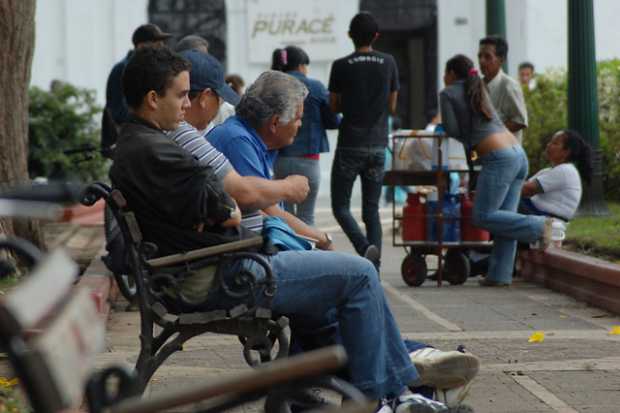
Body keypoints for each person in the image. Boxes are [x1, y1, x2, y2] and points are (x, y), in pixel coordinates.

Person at [111, 45, 455, 412]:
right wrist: (230, 208)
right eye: (181, 95)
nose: (186, 105)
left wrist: (223, 209)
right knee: (360, 274)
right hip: (224, 275)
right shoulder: (160, 150)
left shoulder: (140, 143)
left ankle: (387, 388)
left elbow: (223, 205)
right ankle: (377, 398)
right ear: (153, 99)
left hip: (204, 269)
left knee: (329, 295)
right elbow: (231, 209)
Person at [440, 54, 566, 287]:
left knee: (483, 215)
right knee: (505, 220)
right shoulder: (478, 88)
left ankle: (541, 226)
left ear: (451, 74)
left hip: (499, 159)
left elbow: (452, 129)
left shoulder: (447, 93)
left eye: (444, 73)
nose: (443, 77)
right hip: (518, 155)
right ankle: (499, 275)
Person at [169, 49, 311, 216]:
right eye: (220, 98)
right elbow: (246, 195)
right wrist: (289, 187)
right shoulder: (231, 138)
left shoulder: (182, 132)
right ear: (205, 97)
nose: (185, 104)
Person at [328, 12, 399, 267]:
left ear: (350, 35)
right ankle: (374, 271)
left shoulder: (340, 65)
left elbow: (334, 106)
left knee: (340, 207)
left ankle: (364, 246)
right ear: (376, 36)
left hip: (349, 143)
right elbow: (392, 106)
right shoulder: (389, 62)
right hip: (378, 144)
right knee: (372, 210)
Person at [271, 45, 340, 226]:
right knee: (306, 217)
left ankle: (285, 244)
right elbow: (333, 122)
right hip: (308, 161)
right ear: (301, 66)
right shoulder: (315, 87)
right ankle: (307, 245)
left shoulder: (273, 86)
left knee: (284, 216)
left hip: (279, 159)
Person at [520, 129, 592, 222]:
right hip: (537, 213)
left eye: (554, 143)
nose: (548, 145)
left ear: (566, 152)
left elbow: (526, 190)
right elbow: (524, 188)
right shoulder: (550, 171)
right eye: (550, 141)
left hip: (547, 218)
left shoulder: (565, 170)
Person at [478, 35, 528, 143]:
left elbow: (520, 121)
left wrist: (490, 133)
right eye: (480, 56)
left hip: (506, 150)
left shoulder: (509, 86)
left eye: (487, 57)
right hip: (482, 151)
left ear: (501, 60)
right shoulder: (477, 85)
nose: (481, 61)